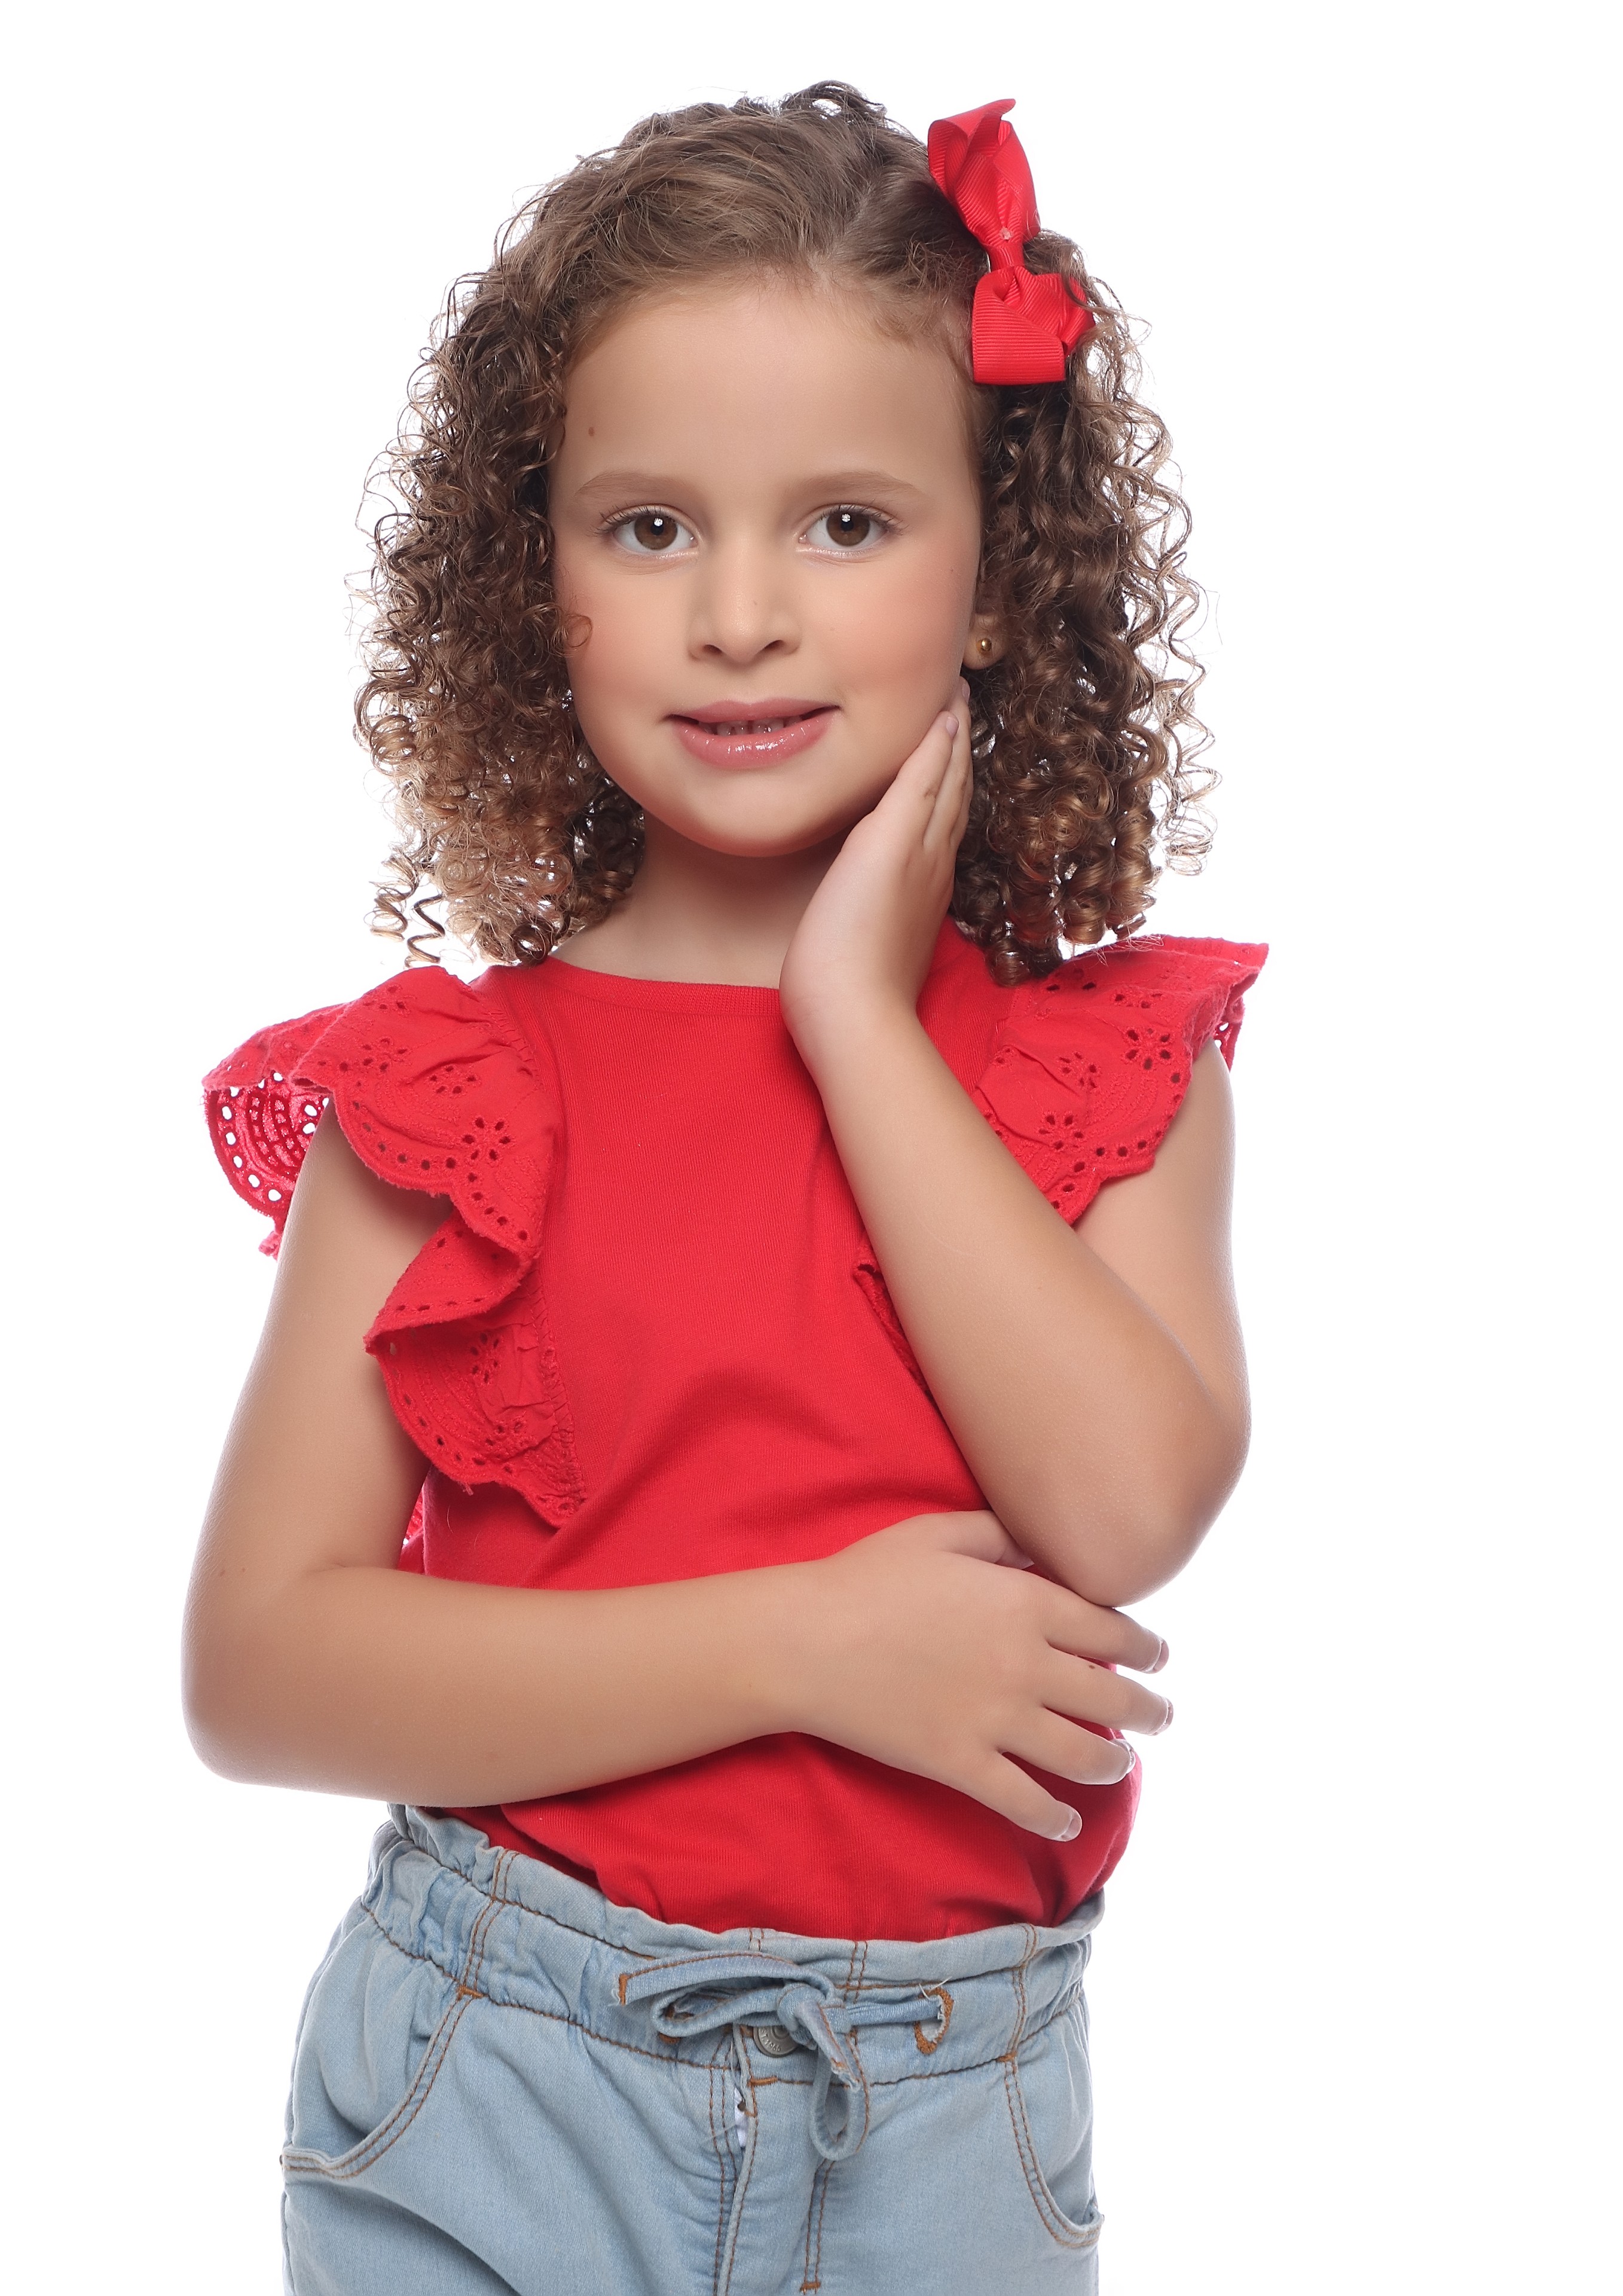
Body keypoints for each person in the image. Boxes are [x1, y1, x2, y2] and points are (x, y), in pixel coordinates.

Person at [187, 83, 1266, 2295]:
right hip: (499, 2071)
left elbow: (1126, 1505)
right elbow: (261, 1667)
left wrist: (858, 1020)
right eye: (650, 526)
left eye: (846, 523)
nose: (743, 615)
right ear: (539, 581)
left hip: (949, 2117)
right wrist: (803, 1649)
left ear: (997, 572)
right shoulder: (447, 1094)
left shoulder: (1101, 1071)